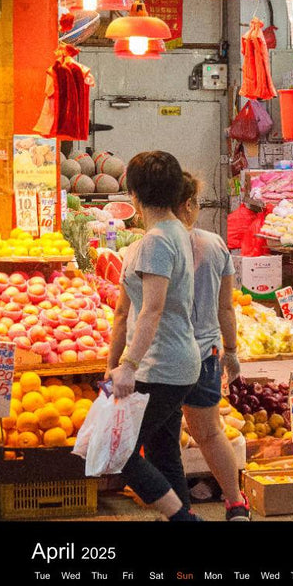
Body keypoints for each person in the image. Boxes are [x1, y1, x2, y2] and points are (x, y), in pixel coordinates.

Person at [107, 151, 202, 521]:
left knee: (120, 452)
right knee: (164, 452)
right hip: (173, 363)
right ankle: (184, 518)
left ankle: (184, 520)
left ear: (133, 194)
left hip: (159, 365)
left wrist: (126, 365)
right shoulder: (176, 232)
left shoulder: (155, 242)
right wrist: (114, 363)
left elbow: (151, 309)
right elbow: (124, 313)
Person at [174, 172, 248, 521]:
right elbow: (226, 307)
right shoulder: (215, 244)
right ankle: (235, 504)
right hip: (206, 353)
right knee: (209, 432)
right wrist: (231, 351)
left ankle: (176, 508)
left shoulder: (154, 244)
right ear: (188, 204)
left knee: (166, 433)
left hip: (167, 354)